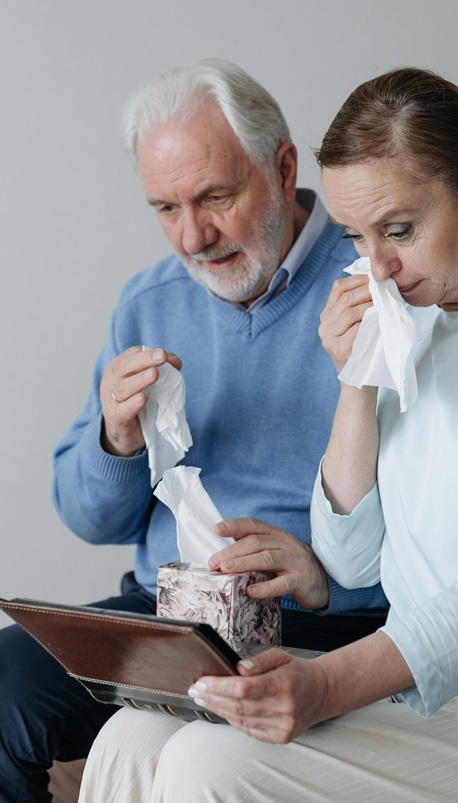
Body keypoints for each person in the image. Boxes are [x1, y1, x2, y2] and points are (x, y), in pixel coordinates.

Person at [78, 66, 458, 802]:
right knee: (131, 735)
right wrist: (355, 380)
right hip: (417, 697)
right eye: (356, 236)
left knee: (208, 764)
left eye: (399, 229)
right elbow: (352, 561)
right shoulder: (409, 318)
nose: (376, 267)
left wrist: (326, 684)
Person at [0, 59, 389, 802]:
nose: (193, 236)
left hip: (324, 625)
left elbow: (447, 530)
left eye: (215, 196)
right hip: (166, 620)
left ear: (282, 168)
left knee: (188, 753)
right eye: (165, 207)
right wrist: (116, 440)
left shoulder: (375, 287)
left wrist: (328, 583)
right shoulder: (149, 302)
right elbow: (89, 519)